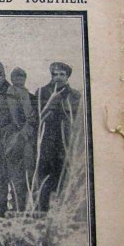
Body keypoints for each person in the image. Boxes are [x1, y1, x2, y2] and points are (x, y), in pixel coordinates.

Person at [0, 57, 36, 217]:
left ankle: (18, 212)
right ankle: (1, 213)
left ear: (4, 74)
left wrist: (20, 138)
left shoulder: (17, 94)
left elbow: (30, 119)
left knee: (17, 179)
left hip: (13, 140)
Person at [35, 62, 81, 212]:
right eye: (56, 74)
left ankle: (62, 215)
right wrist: (51, 102)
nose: (59, 77)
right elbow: (38, 117)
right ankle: (42, 213)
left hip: (66, 142)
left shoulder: (75, 95)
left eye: (62, 74)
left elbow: (79, 120)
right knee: (44, 179)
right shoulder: (42, 92)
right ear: (51, 75)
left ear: (67, 76)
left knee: (64, 178)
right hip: (46, 142)